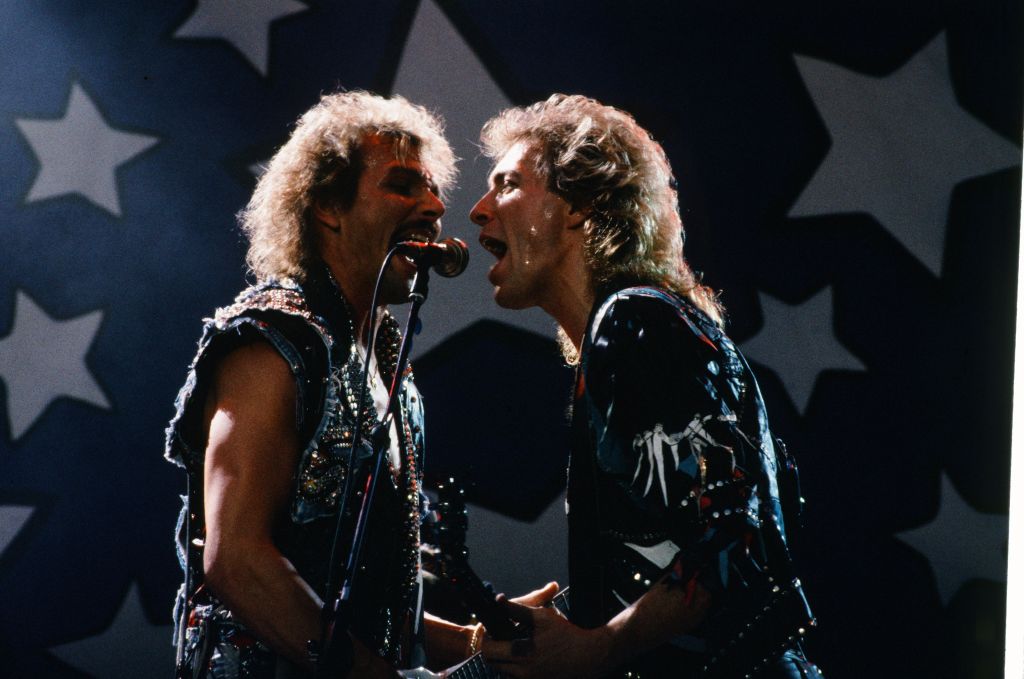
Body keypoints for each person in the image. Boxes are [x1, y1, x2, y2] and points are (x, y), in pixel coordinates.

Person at [470, 94, 824, 678]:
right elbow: (668, 549)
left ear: (580, 204)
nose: (480, 209)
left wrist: (594, 648)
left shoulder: (634, 323)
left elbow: (732, 538)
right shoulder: (635, 331)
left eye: (507, 184)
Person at [165, 90, 480, 678]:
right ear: (328, 207)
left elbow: (363, 604)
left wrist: (480, 646)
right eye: (403, 186)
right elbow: (235, 561)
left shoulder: (385, 355)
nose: (434, 205)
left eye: (433, 188)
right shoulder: (272, 342)